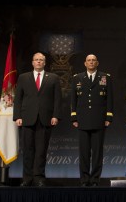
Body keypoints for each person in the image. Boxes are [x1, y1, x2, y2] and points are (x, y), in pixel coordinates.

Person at [13, 52, 61, 187]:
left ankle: (39, 177)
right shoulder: (23, 77)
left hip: (45, 119)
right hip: (27, 118)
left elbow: (57, 99)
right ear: (32, 62)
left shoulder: (53, 78)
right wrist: (17, 116)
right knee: (28, 150)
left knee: (41, 150)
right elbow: (18, 99)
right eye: (36, 60)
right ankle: (27, 178)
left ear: (45, 63)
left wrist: (56, 115)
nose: (39, 62)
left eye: (41, 60)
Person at [70, 54, 114, 186]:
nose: (91, 62)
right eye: (89, 60)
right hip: (82, 120)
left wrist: (108, 117)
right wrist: (74, 117)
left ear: (97, 62)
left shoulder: (105, 77)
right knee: (83, 152)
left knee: (97, 152)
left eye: (93, 60)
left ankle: (95, 179)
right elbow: (73, 99)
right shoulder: (77, 78)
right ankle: (84, 179)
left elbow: (110, 99)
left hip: (99, 119)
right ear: (85, 63)